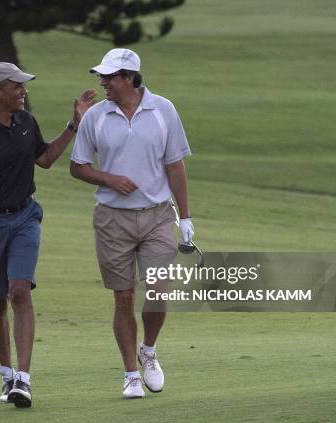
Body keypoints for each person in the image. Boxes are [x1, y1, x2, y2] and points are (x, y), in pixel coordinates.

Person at [0, 62, 96, 408]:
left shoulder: (26, 122)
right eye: (16, 87)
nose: (23, 91)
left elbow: (44, 158)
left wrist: (74, 124)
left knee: (19, 291)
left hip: (26, 217)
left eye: (23, 86)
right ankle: (8, 373)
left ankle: (23, 380)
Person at [70, 48, 195, 399]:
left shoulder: (163, 110)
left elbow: (175, 165)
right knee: (123, 297)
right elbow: (78, 167)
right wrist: (109, 179)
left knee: (157, 292)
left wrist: (185, 217)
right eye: (102, 76)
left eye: (109, 77)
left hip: (157, 215)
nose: (102, 82)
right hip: (112, 219)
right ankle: (130, 375)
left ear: (128, 77)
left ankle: (149, 351)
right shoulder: (95, 116)